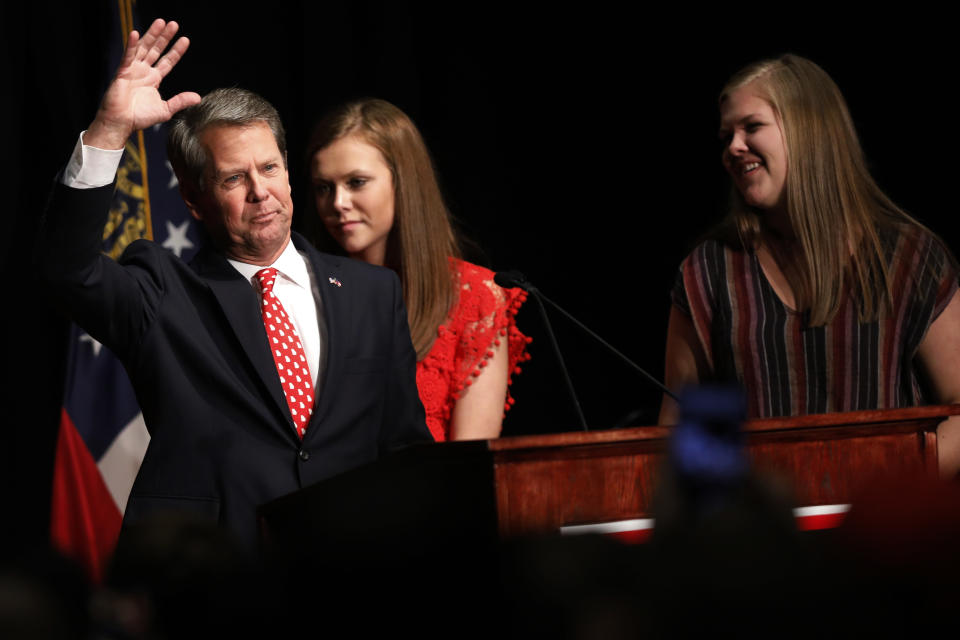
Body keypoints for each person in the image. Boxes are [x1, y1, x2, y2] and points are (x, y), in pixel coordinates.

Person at [39, 19, 430, 549]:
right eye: (233, 178)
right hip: (215, 574)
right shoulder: (161, 291)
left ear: (288, 171)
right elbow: (68, 269)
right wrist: (109, 131)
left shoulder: (371, 293)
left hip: (353, 569)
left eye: (269, 168)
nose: (260, 192)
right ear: (195, 200)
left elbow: (403, 447)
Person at [659, 54, 960, 479]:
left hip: (880, 531)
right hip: (766, 538)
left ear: (809, 130)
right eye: (726, 134)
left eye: (752, 127)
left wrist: (886, 485)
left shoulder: (909, 258)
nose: (733, 147)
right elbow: (676, 427)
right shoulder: (708, 273)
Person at [306, 99, 530, 441]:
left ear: (404, 182)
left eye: (356, 182)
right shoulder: (305, 287)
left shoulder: (475, 296)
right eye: (324, 187)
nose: (338, 203)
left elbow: (469, 465)